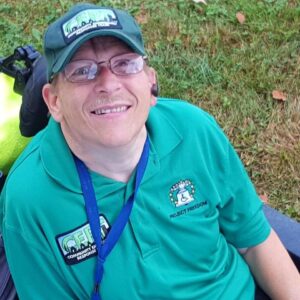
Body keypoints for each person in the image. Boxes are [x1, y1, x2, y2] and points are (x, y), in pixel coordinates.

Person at [0, 3, 299, 300]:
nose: (108, 83)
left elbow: (254, 242)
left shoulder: (194, 130)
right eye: (82, 70)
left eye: (125, 64)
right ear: (54, 102)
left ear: (151, 82)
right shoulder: (28, 196)